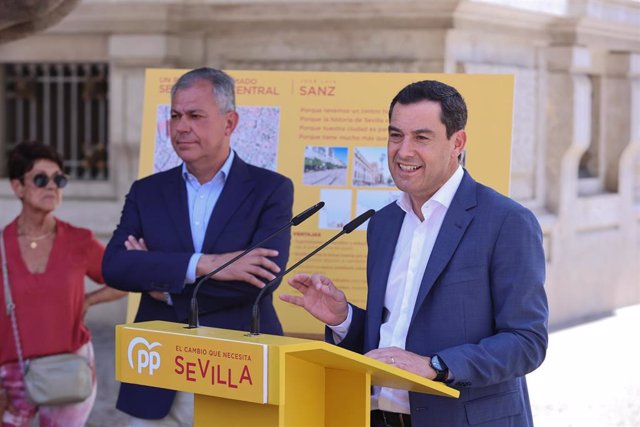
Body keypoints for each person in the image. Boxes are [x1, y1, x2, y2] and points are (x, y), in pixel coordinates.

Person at [281, 80, 548, 427]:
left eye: (421, 138)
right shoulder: (384, 224)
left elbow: (527, 342)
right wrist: (343, 318)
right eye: (395, 135)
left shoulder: (507, 221)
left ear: (458, 143)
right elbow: (393, 340)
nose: (403, 151)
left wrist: (436, 365)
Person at [102, 67, 294, 426]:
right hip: (158, 375)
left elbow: (261, 281)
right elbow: (114, 266)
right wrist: (204, 265)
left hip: (238, 373)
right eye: (174, 115)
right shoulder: (148, 191)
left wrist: (163, 283)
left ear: (230, 122)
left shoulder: (270, 189)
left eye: (195, 115)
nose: (181, 126)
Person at [0, 141, 126, 427]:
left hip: (69, 372)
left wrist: (90, 300)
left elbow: (124, 279)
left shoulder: (79, 241)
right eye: (41, 179)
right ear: (18, 187)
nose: (52, 186)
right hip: (10, 377)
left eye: (59, 179)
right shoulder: (1, 246)